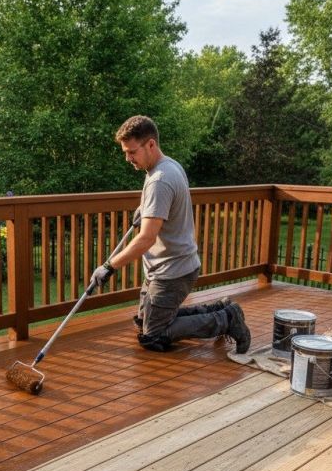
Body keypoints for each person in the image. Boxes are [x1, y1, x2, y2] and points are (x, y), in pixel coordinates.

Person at [90, 115, 251, 354]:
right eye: (125, 152)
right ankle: (221, 308)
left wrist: (109, 266)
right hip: (169, 267)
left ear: (151, 144)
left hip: (172, 272)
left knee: (153, 336)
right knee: (143, 323)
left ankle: (226, 319)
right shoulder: (168, 165)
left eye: (132, 152)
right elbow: (165, 207)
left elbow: (146, 239)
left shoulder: (159, 180)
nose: (128, 158)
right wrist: (146, 209)